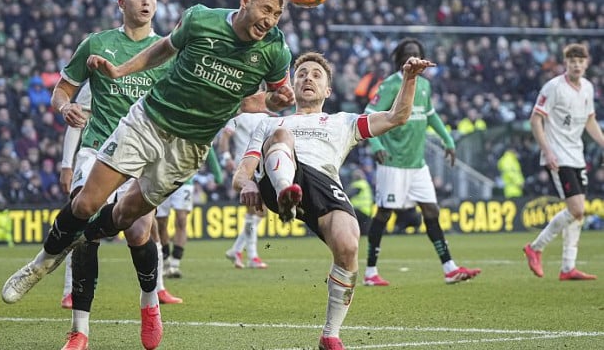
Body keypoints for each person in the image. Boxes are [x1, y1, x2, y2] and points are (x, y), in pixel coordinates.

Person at [1, 0, 295, 350]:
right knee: (87, 204)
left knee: (131, 224)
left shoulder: (275, 52)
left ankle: (148, 300)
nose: (270, 19)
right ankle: (43, 264)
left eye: (278, 13)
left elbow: (265, 100)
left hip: (189, 147)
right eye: (266, 9)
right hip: (148, 122)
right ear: (245, 0)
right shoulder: (199, 19)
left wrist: (275, 103)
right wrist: (119, 72)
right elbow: (164, 50)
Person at [6, 0, 178, 350]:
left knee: (137, 232)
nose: (145, 2)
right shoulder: (97, 43)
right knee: (83, 227)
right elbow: (63, 89)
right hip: (98, 147)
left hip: (145, 152)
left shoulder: (165, 53)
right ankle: (79, 330)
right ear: (121, 3)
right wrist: (66, 107)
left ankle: (150, 304)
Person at [233, 52, 434, 350]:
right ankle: (286, 193)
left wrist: (409, 78)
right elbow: (242, 174)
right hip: (278, 178)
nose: (307, 78)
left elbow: (397, 117)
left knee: (349, 244)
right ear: (291, 85)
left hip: (322, 185)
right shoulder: (270, 123)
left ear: (328, 90)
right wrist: (247, 184)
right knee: (281, 135)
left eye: (316, 74)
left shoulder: (343, 122)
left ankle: (330, 334)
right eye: (301, 74)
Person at [363, 38, 481, 287]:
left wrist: (448, 139)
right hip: (393, 162)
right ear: (400, 59)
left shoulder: (425, 85)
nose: (413, 58)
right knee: (384, 214)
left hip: (417, 165)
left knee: (431, 211)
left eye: (417, 54)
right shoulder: (391, 84)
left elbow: (431, 116)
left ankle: (449, 268)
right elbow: (368, 113)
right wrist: (376, 145)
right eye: (408, 54)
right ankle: (371, 272)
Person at [58, 82, 183, 312]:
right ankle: (69, 290)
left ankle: (157, 289)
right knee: (85, 219)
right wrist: (67, 164)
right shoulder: (102, 71)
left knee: (146, 226)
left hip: (138, 157)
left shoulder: (156, 69)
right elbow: (77, 120)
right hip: (101, 158)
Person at [523, 43, 602, 281]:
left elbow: (590, 121)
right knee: (577, 209)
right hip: (558, 155)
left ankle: (568, 267)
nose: (577, 65)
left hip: (577, 155)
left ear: (587, 64)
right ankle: (535, 247)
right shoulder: (554, 87)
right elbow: (535, 120)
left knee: (577, 213)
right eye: (572, 61)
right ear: (565, 63)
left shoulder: (587, 88)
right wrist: (547, 151)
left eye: (580, 61)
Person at [157, 148, 223, 278]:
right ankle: (165, 261)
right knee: (161, 223)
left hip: (184, 181)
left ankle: (175, 264)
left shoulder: (191, 128)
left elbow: (208, 147)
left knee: (181, 220)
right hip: (161, 180)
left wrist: (217, 174)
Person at [220, 111, 271, 269]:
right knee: (252, 211)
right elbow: (225, 137)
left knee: (262, 212)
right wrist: (227, 158)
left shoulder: (265, 117)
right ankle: (252, 257)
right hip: (245, 167)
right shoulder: (237, 117)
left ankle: (236, 249)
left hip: (261, 167)